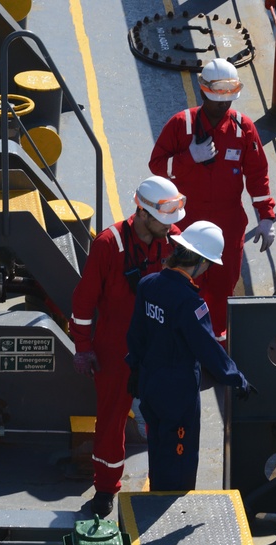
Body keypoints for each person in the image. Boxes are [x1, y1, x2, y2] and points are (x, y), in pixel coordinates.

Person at [70, 176, 185, 517]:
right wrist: (83, 347)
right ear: (143, 213)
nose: (170, 228)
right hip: (114, 349)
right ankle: (106, 489)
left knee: (168, 416)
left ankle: (167, 481)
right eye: (163, 221)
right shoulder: (109, 244)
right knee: (111, 421)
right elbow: (84, 300)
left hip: (160, 347)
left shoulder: (174, 242)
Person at [148, 57, 276, 346]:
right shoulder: (182, 125)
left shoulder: (243, 130)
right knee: (182, 282)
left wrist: (266, 217)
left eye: (228, 99)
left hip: (227, 224)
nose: (223, 105)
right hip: (185, 221)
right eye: (218, 99)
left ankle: (213, 341)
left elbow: (257, 175)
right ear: (203, 91)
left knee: (221, 285)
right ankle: (178, 336)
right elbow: (157, 165)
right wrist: (187, 160)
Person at [125, 220, 256, 492]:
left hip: (150, 384)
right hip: (178, 394)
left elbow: (136, 334)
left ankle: (156, 494)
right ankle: (170, 509)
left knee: (159, 449)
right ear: (199, 262)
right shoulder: (190, 303)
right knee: (179, 461)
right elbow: (208, 349)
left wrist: (135, 369)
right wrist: (237, 378)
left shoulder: (148, 284)